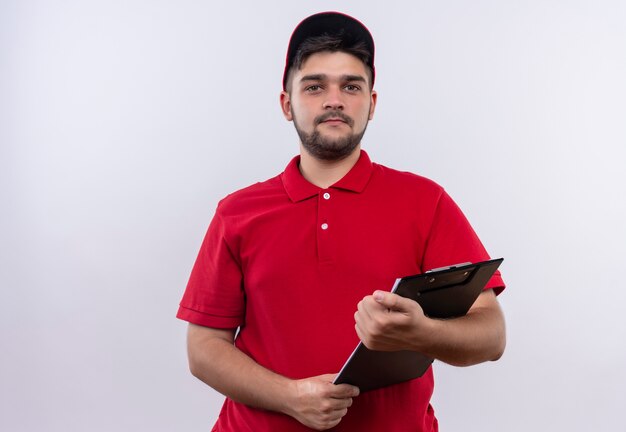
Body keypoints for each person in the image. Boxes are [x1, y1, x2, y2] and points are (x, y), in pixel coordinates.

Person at [177, 11, 506, 432]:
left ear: (371, 104)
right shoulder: (236, 212)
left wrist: (420, 332)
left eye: (351, 86)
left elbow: (492, 335)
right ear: (286, 103)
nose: (334, 99)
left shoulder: (426, 202)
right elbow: (203, 348)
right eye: (314, 86)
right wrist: (290, 398)